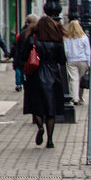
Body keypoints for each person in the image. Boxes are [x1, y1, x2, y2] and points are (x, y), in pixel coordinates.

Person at [23, 15, 67, 149]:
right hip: (53, 75)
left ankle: (40, 126)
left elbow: (24, 56)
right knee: (50, 108)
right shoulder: (57, 41)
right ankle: (50, 140)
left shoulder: (33, 39)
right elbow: (62, 60)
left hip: (36, 74)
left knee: (36, 105)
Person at [62, 20, 91, 105]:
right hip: (83, 61)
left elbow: (66, 51)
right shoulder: (84, 37)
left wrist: (67, 58)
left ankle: (75, 98)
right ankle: (79, 97)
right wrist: (89, 63)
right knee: (81, 80)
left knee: (74, 79)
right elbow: (88, 51)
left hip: (71, 61)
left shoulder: (67, 38)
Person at [11, 14, 38, 92]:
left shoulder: (22, 33)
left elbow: (16, 46)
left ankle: (20, 84)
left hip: (21, 58)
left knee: (22, 73)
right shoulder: (34, 33)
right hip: (31, 58)